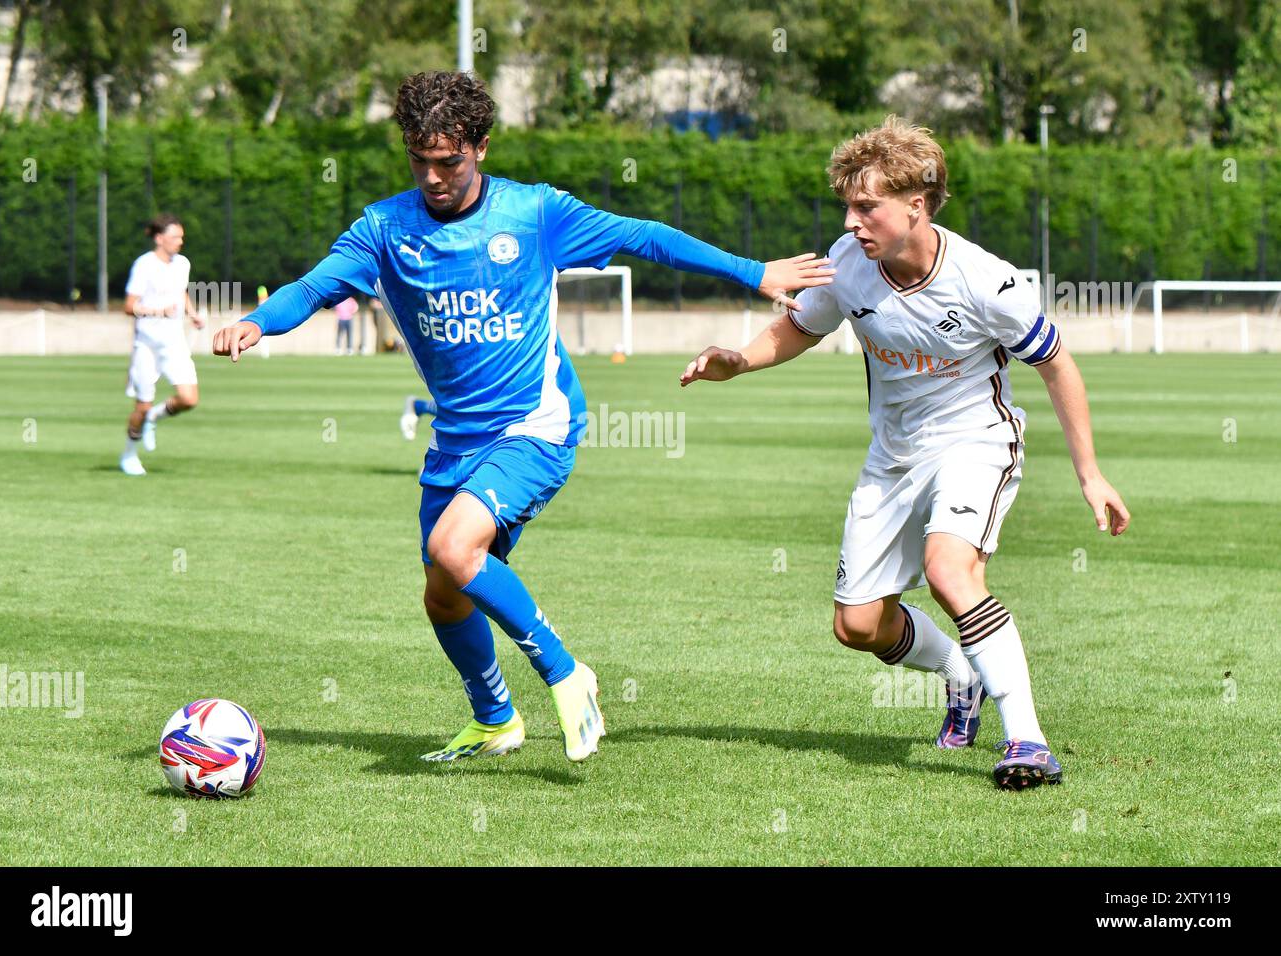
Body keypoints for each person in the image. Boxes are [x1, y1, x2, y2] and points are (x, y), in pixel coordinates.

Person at [213, 70, 833, 764]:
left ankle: (568, 675)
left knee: (454, 550)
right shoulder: (385, 228)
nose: (433, 175)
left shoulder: (534, 213)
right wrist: (257, 321)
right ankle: (495, 720)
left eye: (448, 160)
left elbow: (643, 235)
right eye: (419, 159)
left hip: (537, 426)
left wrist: (753, 272)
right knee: (443, 596)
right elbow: (316, 285)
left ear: (480, 146)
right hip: (457, 443)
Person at [680, 116, 1130, 789]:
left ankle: (1028, 740)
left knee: (949, 569)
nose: (854, 221)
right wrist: (738, 361)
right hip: (892, 457)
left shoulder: (986, 281)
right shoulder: (850, 262)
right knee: (858, 624)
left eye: (867, 206)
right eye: (848, 206)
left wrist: (1090, 474)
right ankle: (958, 673)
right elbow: (802, 325)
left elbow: (1057, 362)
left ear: (915, 205)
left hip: (976, 440)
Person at [120, 214, 204, 476]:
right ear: (159, 238)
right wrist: (157, 311)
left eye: (182, 237)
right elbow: (129, 306)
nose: (180, 242)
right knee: (141, 406)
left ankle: (155, 418)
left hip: (174, 342)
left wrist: (192, 313)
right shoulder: (143, 265)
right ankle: (129, 455)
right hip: (146, 344)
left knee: (189, 399)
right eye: (175, 237)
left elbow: (181, 291)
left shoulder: (182, 264)